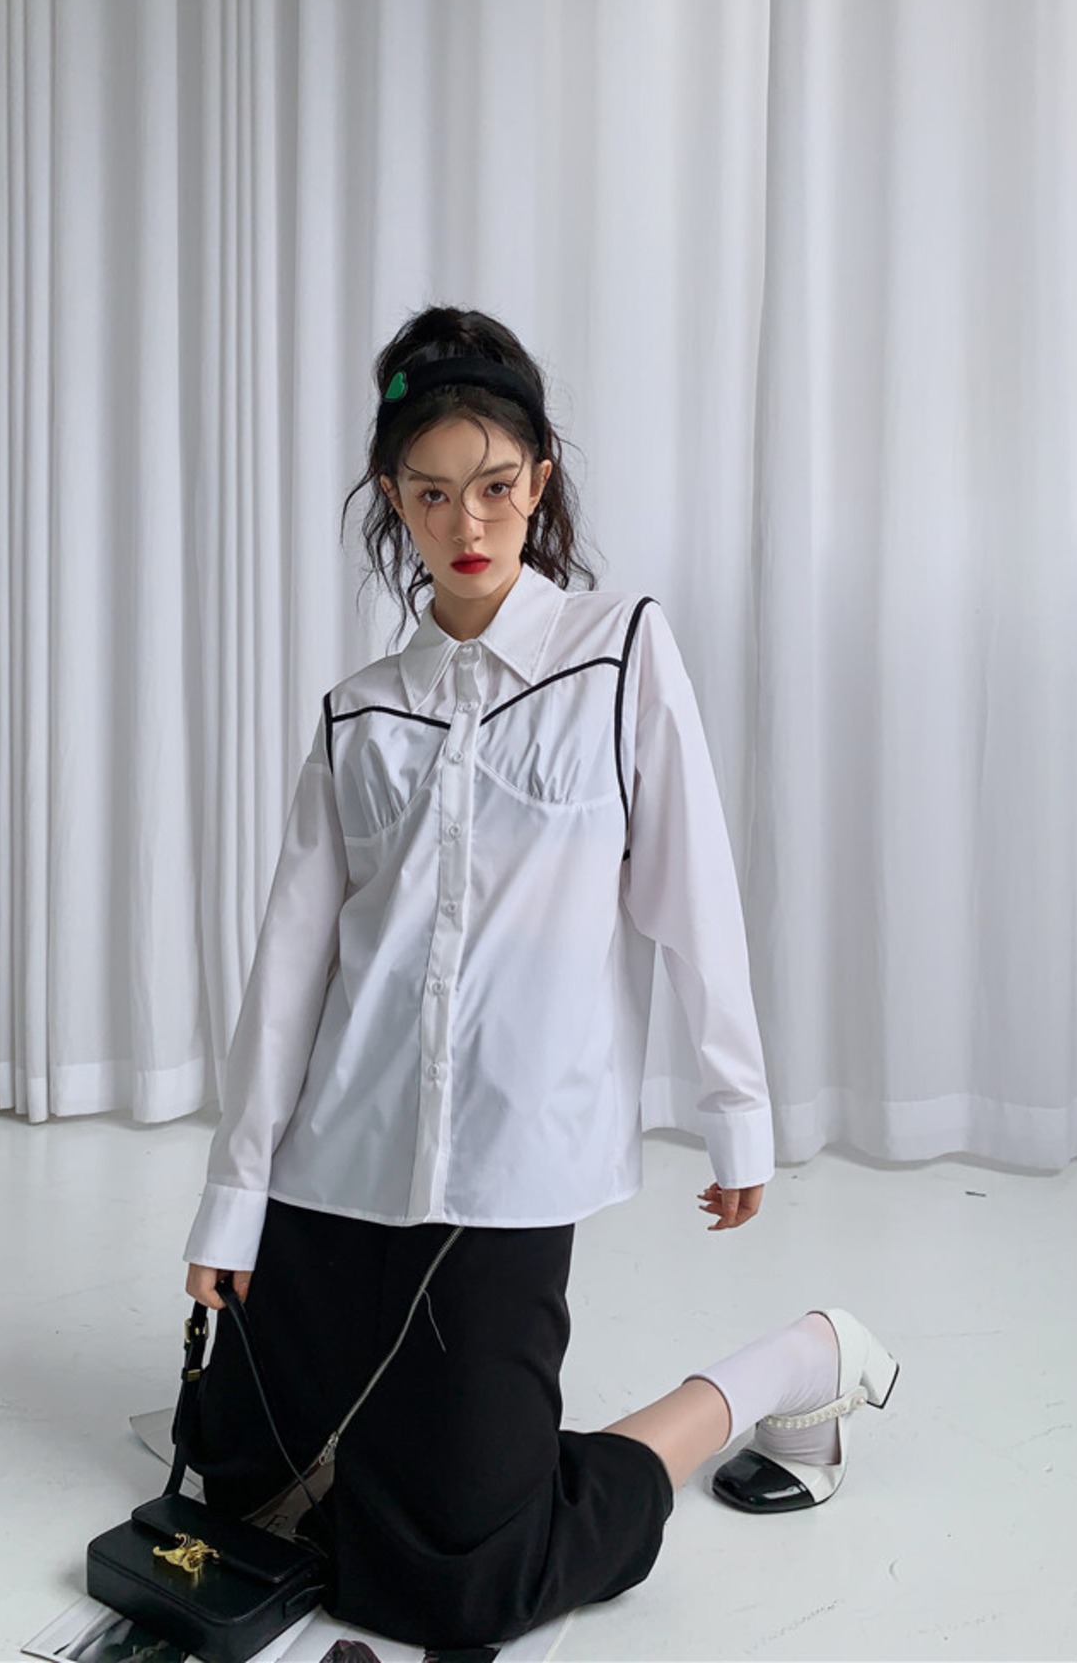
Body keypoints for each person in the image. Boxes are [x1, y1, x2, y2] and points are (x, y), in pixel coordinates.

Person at [181, 306, 898, 1652]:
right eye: (431, 492)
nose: (468, 522)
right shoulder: (359, 711)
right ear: (392, 496)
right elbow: (291, 969)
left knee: (456, 1585)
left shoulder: (617, 653)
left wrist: (737, 1108)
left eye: (497, 486)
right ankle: (432, 1444)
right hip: (338, 1158)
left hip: (507, 1169)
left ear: (541, 479)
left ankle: (792, 1369)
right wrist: (232, 1201)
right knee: (236, 1489)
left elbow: (694, 892)